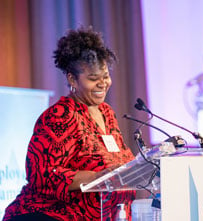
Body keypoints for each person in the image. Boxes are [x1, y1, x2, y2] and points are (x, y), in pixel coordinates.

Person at [3, 27, 135, 221]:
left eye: (105, 76)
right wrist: (96, 177)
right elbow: (41, 174)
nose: (102, 84)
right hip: (49, 216)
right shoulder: (60, 116)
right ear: (72, 79)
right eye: (93, 79)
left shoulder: (107, 113)